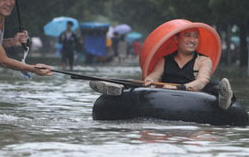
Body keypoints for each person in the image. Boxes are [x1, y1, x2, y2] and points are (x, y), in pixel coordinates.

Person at [90, 27, 234, 110]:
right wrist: (149, 80)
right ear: (177, 40)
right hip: (164, 94)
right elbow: (154, 76)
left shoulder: (204, 60)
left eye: (196, 37)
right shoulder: (164, 60)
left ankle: (224, 100)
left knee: (215, 84)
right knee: (137, 86)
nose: (192, 40)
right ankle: (115, 89)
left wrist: (179, 88)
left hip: (193, 96)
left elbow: (201, 82)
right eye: (188, 36)